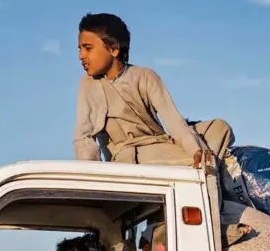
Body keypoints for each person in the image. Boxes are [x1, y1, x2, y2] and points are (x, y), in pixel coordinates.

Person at [74, 13, 234, 168]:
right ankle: (203, 166)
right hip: (132, 157)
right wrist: (93, 177)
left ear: (114, 49)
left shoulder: (145, 76)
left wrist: (196, 149)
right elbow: (83, 137)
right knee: (207, 160)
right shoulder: (89, 84)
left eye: (88, 48)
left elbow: (174, 121)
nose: (81, 56)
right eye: (80, 49)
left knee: (220, 128)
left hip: (162, 145)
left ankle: (200, 161)